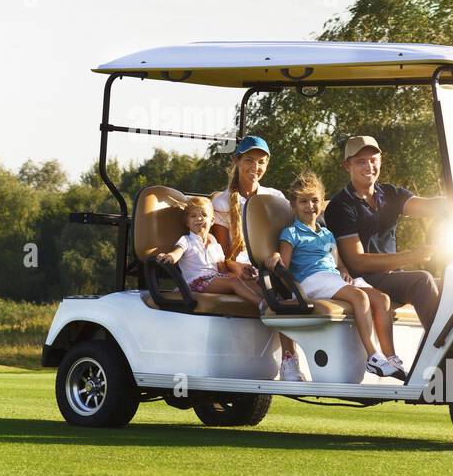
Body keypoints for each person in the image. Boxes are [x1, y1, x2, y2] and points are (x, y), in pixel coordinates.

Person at [268, 171, 406, 379]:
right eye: (303, 201)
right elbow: (284, 267)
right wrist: (276, 257)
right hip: (310, 280)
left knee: (381, 299)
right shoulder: (291, 233)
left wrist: (343, 271)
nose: (310, 206)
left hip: (331, 277)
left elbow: (339, 264)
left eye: (315, 201)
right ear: (294, 206)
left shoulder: (327, 234)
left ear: (322, 203)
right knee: (359, 297)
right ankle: (373, 356)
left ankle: (391, 358)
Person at [323, 135, 449, 335]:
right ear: (347, 166)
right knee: (422, 280)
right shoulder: (341, 206)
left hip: (392, 276)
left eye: (373, 160)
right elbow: (358, 262)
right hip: (364, 280)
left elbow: (425, 206)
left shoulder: (389, 193)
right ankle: (443, 350)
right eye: (361, 161)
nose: (369, 166)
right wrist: (411, 257)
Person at [211, 135, 302, 381]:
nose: (255, 167)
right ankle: (289, 359)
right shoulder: (221, 201)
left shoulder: (275, 197)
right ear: (236, 161)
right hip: (238, 270)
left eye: (261, 161)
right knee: (278, 292)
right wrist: (236, 267)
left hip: (271, 265)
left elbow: (284, 238)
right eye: (249, 160)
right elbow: (222, 253)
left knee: (293, 286)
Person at [155, 195, 264, 309]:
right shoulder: (187, 240)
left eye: (204, 215)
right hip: (195, 282)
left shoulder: (213, 241)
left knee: (249, 283)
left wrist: (242, 278)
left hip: (214, 278)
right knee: (234, 282)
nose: (199, 218)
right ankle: (262, 305)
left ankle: (274, 303)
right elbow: (177, 251)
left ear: (212, 221)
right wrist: (170, 256)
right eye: (193, 216)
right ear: (187, 223)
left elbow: (223, 270)